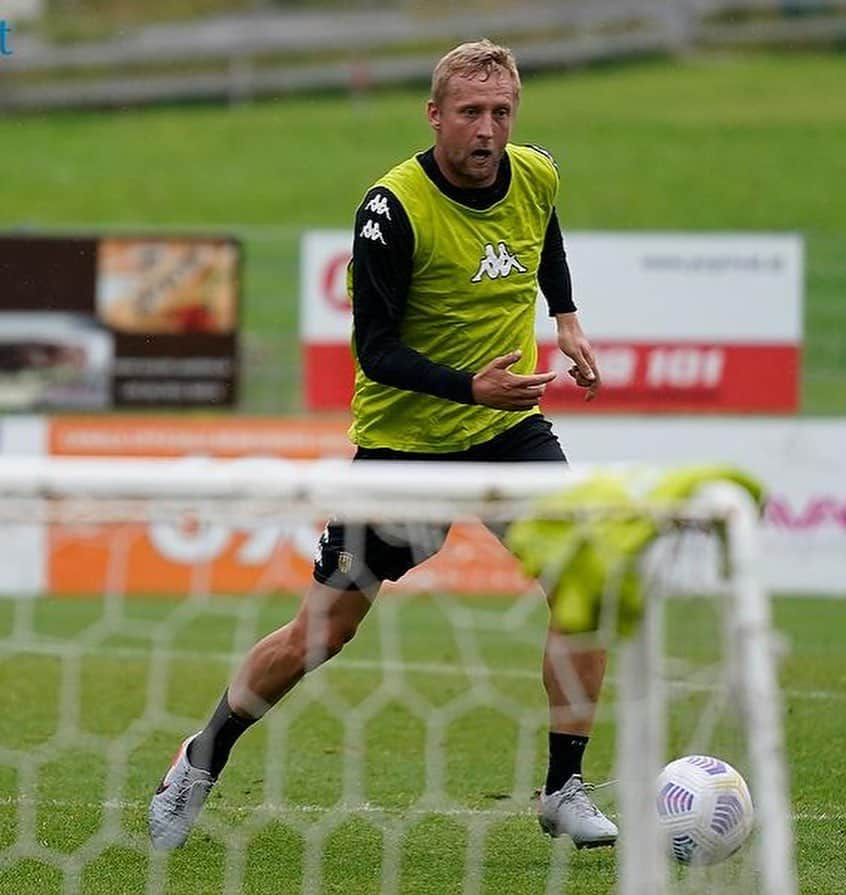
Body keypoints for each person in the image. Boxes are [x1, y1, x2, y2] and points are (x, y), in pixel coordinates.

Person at [149, 38, 616, 851]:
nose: (487, 129)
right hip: (407, 445)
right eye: (469, 112)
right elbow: (374, 352)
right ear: (433, 114)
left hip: (509, 433)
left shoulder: (535, 170)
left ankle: (562, 786)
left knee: (585, 584)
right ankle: (200, 756)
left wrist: (565, 314)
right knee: (320, 635)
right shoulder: (390, 209)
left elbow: (544, 231)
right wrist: (470, 384)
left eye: (500, 112)